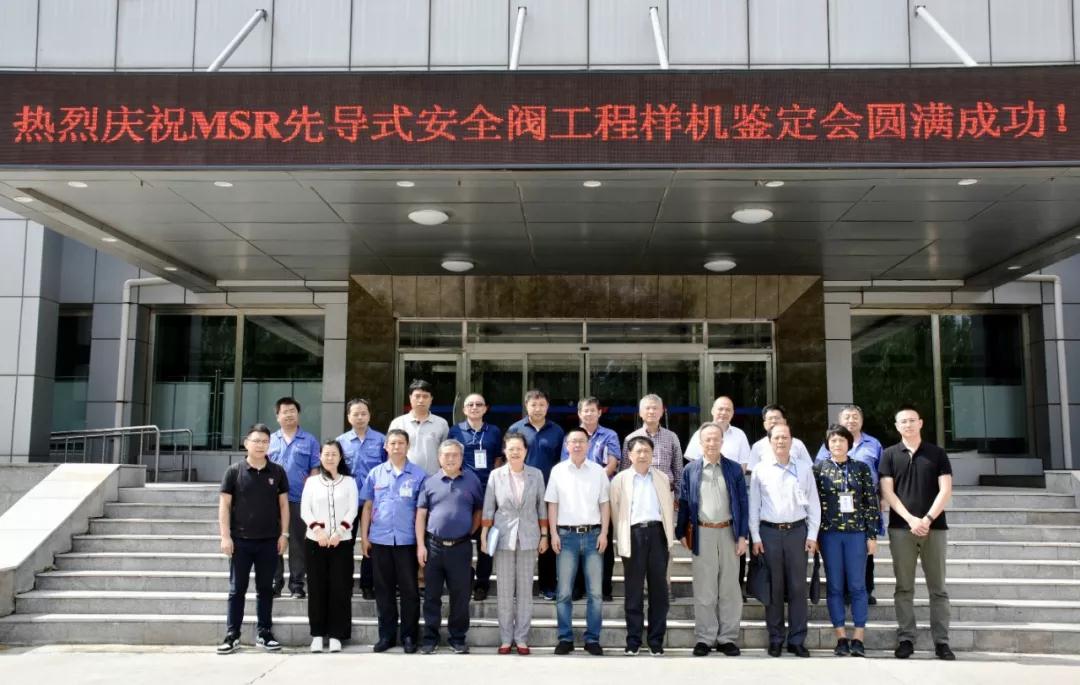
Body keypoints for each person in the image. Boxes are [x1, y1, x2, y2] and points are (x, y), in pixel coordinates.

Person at [880, 405, 955, 661]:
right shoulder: (889, 454)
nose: (908, 425)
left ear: (921, 423)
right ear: (897, 426)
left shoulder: (937, 454)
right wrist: (911, 519)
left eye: (912, 420)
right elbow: (888, 492)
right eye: (903, 421)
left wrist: (927, 519)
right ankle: (906, 639)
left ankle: (942, 642)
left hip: (935, 528)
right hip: (902, 529)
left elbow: (945, 490)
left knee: (938, 589)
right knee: (904, 587)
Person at [676, 422, 748, 658]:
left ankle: (727, 638)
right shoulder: (691, 470)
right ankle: (705, 638)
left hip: (729, 532)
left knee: (730, 589)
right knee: (704, 588)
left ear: (722, 441)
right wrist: (680, 532)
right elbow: (684, 501)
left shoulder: (734, 469)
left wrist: (742, 536)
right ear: (700, 442)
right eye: (707, 439)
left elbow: (743, 503)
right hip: (702, 533)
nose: (712, 443)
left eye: (716, 439)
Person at [216, 423, 289, 655]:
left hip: (269, 541)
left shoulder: (277, 472)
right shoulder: (234, 471)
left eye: (265, 441)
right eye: (256, 441)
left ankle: (264, 633)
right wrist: (225, 536)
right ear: (246, 443)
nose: (260, 445)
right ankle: (232, 634)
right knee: (237, 589)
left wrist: (284, 534)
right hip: (240, 541)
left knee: (265, 589)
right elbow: (224, 505)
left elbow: (284, 505)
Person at [749, 423, 821, 658]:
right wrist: (755, 536)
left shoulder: (804, 468)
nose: (781, 441)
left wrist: (812, 534)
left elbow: (814, 503)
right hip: (769, 533)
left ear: (792, 440)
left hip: (797, 533)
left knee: (798, 587)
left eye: (785, 437)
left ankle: (797, 639)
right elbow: (754, 505)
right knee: (774, 588)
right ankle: (776, 638)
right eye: (776, 438)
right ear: (770, 441)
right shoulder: (760, 469)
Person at [481, 432, 549, 655]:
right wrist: (484, 534)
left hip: (529, 536)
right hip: (503, 536)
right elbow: (489, 506)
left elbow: (541, 507)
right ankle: (505, 638)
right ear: (505, 451)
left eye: (519, 448)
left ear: (526, 451)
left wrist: (544, 535)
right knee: (504, 590)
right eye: (511, 448)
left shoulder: (536, 474)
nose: (515, 452)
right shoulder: (496, 475)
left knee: (525, 590)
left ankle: (521, 638)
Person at [813, 424, 878, 657]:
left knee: (858, 585)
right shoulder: (818, 469)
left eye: (841, 440)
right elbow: (812, 504)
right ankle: (841, 637)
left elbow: (870, 502)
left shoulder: (861, 468)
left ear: (849, 443)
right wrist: (813, 535)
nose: (837, 444)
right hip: (829, 534)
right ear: (827, 444)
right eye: (833, 440)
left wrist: (872, 535)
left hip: (856, 533)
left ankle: (858, 637)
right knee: (835, 586)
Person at [360, 428, 427, 654]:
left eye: (401, 443)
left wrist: (421, 543)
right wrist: (364, 537)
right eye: (393, 443)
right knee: (383, 590)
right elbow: (367, 507)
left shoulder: (419, 475)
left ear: (408, 446)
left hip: (407, 541)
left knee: (410, 591)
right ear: (386, 447)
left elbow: (422, 511)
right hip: (380, 540)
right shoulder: (375, 473)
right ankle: (386, 636)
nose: (397, 447)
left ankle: (409, 636)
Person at [415, 440, 484, 654]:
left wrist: (468, 531)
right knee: (431, 596)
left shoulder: (472, 480)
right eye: (446, 455)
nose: (451, 458)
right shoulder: (430, 482)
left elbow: (479, 510)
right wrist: (420, 545)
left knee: (460, 595)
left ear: (461, 458)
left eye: (455, 455)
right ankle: (430, 638)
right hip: (433, 546)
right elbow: (421, 515)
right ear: (439, 458)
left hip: (461, 547)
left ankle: (458, 638)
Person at [546, 427, 611, 656]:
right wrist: (553, 533)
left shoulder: (598, 471)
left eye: (581, 441)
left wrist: (604, 533)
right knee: (564, 592)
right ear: (566, 445)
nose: (577, 445)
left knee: (595, 593)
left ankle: (592, 639)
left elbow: (605, 504)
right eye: (573, 441)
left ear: (588, 445)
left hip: (593, 536)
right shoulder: (558, 471)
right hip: (566, 537)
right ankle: (565, 638)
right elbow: (552, 504)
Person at [610, 435, 676, 656]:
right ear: (629, 455)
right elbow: (615, 511)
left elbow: (667, 508)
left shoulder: (662, 478)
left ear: (652, 454)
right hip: (633, 535)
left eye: (646, 451)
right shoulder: (620, 480)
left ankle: (656, 641)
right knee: (634, 590)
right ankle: (633, 641)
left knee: (659, 591)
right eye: (638, 451)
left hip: (658, 534)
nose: (642, 455)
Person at [814, 404, 884, 604]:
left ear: (861, 420)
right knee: (838, 558)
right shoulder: (830, 442)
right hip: (834, 511)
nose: (851, 420)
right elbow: (819, 471)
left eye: (855, 417)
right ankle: (843, 592)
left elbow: (883, 471)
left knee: (865, 553)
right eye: (847, 417)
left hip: (864, 504)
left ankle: (865, 590)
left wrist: (883, 498)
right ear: (840, 420)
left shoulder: (874, 443)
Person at [301, 440, 359, 653]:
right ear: (320, 456)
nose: (330, 458)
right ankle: (317, 634)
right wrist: (318, 531)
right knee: (316, 588)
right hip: (315, 542)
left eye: (334, 454)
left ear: (340, 457)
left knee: (340, 588)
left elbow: (353, 510)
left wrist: (339, 532)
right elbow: (305, 510)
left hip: (341, 543)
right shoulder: (312, 482)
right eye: (326, 454)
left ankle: (336, 634)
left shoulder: (349, 482)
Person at [508, 389, 565, 600]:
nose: (538, 408)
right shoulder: (516, 429)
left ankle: (547, 585)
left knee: (546, 536)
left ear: (547, 407)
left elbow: (562, 462)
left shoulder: (557, 431)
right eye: (533, 404)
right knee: (519, 538)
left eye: (542, 405)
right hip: (521, 491)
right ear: (526, 406)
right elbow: (508, 458)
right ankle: (518, 586)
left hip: (549, 492)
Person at [563, 396, 620, 601]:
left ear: (599, 412)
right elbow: (566, 463)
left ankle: (604, 588)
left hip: (603, 494)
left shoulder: (609, 435)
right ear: (579, 413)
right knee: (577, 542)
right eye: (585, 410)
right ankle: (578, 587)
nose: (589, 414)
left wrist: (594, 481)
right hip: (576, 495)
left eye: (592, 410)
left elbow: (613, 462)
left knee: (603, 541)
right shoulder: (571, 437)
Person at [448, 392, 503, 602]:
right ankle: (464, 578)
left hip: (488, 490)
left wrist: (494, 482)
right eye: (470, 405)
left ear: (485, 408)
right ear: (464, 409)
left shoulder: (494, 431)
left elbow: (498, 458)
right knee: (461, 537)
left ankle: (482, 583)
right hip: (463, 490)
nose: (474, 408)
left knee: (485, 539)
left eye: (479, 404)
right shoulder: (455, 431)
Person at [267, 396, 321, 599]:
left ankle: (297, 585)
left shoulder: (310, 440)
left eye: (293, 411)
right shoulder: (270, 440)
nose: (289, 415)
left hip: (299, 499)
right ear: (277, 416)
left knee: (298, 543)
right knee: (273, 541)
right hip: (272, 501)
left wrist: (312, 496)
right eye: (285, 411)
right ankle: (275, 583)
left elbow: (315, 469)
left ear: (298, 414)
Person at [336, 397, 386, 600]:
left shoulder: (381, 440)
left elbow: (386, 469)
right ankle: (344, 583)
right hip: (347, 502)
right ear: (348, 417)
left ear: (369, 416)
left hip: (372, 502)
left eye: (363, 413)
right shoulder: (341, 442)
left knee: (371, 544)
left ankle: (367, 584)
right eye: (355, 414)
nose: (360, 417)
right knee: (344, 544)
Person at [621, 394, 684, 501]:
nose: (651, 411)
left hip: (666, 493)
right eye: (648, 408)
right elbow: (624, 470)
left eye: (655, 408)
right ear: (640, 413)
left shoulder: (672, 437)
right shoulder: (631, 438)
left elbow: (678, 470)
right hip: (638, 494)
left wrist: (678, 498)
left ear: (662, 412)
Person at [389, 378, 450, 476]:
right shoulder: (398, 423)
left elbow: (447, 453)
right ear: (410, 397)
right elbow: (390, 452)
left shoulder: (441, 424)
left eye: (425, 396)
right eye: (417, 396)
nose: (421, 400)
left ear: (431, 399)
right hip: (404, 478)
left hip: (433, 478)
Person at [685, 396, 752, 466]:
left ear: (732, 413)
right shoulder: (700, 434)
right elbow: (693, 463)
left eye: (728, 410)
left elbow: (744, 463)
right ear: (712, 411)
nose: (724, 413)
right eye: (720, 409)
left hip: (733, 473)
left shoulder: (740, 435)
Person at [746, 404, 812, 472]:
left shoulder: (798, 444)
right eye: (770, 418)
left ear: (785, 421)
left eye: (777, 418)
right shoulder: (757, 446)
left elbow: (808, 468)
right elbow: (753, 472)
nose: (774, 421)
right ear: (765, 424)